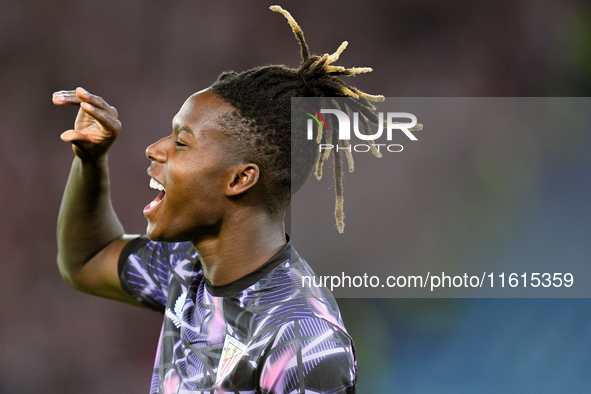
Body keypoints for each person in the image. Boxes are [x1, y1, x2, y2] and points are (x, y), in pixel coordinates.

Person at [53, 6, 383, 393]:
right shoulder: (187, 270)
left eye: (180, 142)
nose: (154, 149)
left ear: (240, 179)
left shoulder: (303, 341)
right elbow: (86, 259)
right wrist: (90, 162)